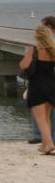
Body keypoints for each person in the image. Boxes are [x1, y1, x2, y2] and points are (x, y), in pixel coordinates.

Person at [20, 25, 55, 154]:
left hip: (37, 86)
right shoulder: (53, 50)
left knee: (40, 119)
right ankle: (44, 145)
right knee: (47, 118)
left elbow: (24, 65)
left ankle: (49, 144)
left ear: (37, 36)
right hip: (51, 85)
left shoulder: (34, 49)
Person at [28, 16, 55, 144]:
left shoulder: (47, 41)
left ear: (49, 27)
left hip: (43, 81)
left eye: (43, 25)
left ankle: (44, 138)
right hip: (48, 79)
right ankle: (43, 138)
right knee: (45, 112)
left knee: (40, 111)